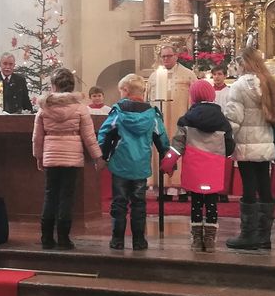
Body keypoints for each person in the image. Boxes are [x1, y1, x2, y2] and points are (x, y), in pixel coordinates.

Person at [161, 80, 236, 252]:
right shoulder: (223, 121)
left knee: (196, 202)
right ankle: (210, 240)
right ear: (212, 96)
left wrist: (168, 163)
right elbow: (230, 146)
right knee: (211, 202)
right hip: (213, 168)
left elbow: (177, 145)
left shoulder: (186, 119)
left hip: (194, 168)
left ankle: (196, 239)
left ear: (193, 97)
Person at [32, 68, 103, 250]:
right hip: (72, 158)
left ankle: (46, 237)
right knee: (66, 197)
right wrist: (98, 157)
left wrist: (38, 156)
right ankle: (64, 238)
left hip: (51, 155)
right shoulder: (80, 108)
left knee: (50, 195)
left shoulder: (44, 107)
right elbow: (89, 136)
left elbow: (37, 137)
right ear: (72, 86)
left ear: (54, 86)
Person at [97, 74, 169, 251]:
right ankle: (139, 241)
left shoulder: (118, 112)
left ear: (126, 90)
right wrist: (166, 157)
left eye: (120, 90)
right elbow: (161, 138)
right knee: (139, 203)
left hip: (120, 165)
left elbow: (105, 134)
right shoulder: (152, 115)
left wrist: (103, 157)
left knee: (119, 202)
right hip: (140, 166)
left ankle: (117, 240)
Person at [223, 48, 275, 251]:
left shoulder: (239, 86)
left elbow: (234, 118)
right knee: (264, 186)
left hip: (246, 142)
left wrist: (225, 138)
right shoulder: (269, 82)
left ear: (243, 64)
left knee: (249, 187)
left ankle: (248, 235)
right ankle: (264, 236)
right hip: (265, 141)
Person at [146, 43, 197, 197]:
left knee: (178, 147)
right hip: (159, 122)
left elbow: (194, 100)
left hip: (179, 120)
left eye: (169, 56)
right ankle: (161, 185)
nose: (166, 59)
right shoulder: (154, 76)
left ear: (176, 56)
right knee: (159, 148)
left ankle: (179, 186)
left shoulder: (188, 75)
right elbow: (148, 100)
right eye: (163, 56)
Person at [210, 64, 235, 201]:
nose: (217, 77)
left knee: (224, 162)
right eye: (214, 74)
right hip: (212, 131)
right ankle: (213, 189)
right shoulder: (209, 92)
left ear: (225, 76)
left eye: (220, 74)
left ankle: (223, 192)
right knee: (213, 162)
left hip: (225, 130)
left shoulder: (229, 92)